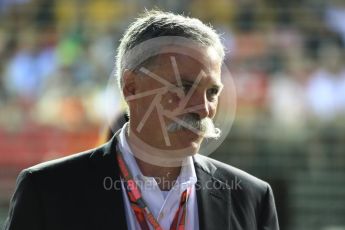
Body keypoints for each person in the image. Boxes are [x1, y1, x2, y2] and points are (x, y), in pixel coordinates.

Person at [4, 10, 279, 230]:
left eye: (212, 92)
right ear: (131, 88)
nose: (203, 108)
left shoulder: (251, 199)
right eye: (184, 87)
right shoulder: (47, 192)